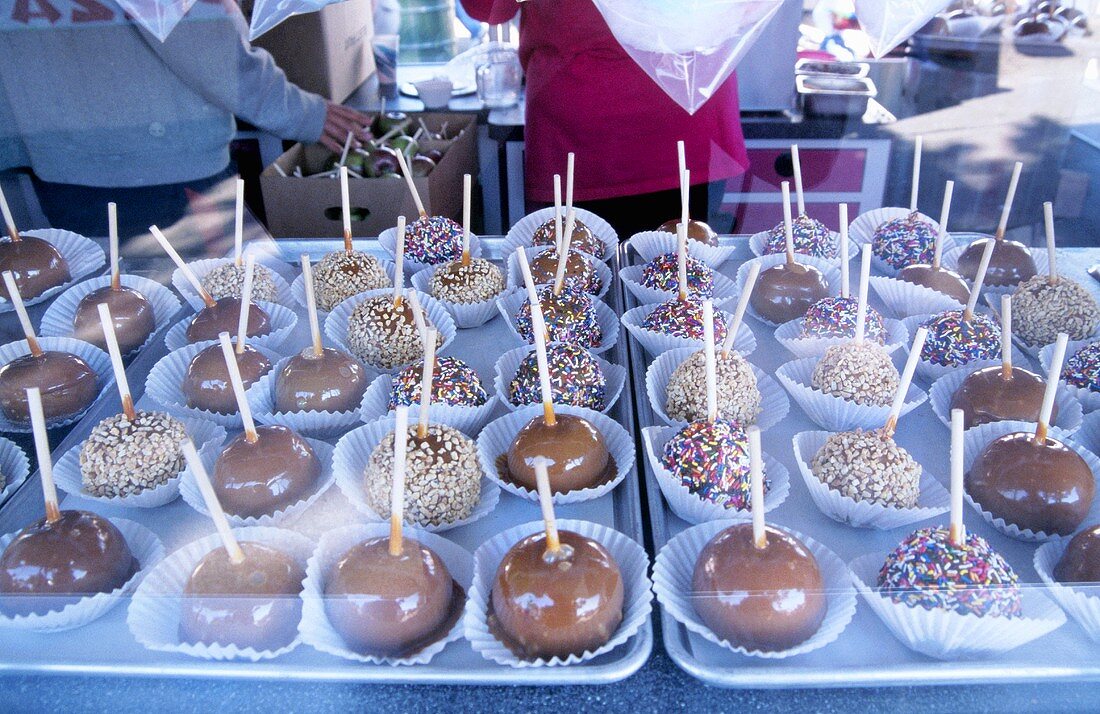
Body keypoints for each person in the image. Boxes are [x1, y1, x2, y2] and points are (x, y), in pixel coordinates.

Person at [0, 0, 373, 238]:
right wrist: (305, 113)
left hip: (56, 164)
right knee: (217, 307)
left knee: (119, 315)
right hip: (169, 164)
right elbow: (208, 46)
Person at [463, 0, 749, 238]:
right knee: (685, 291)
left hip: (590, 125)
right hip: (681, 114)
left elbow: (487, 8)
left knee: (573, 288)